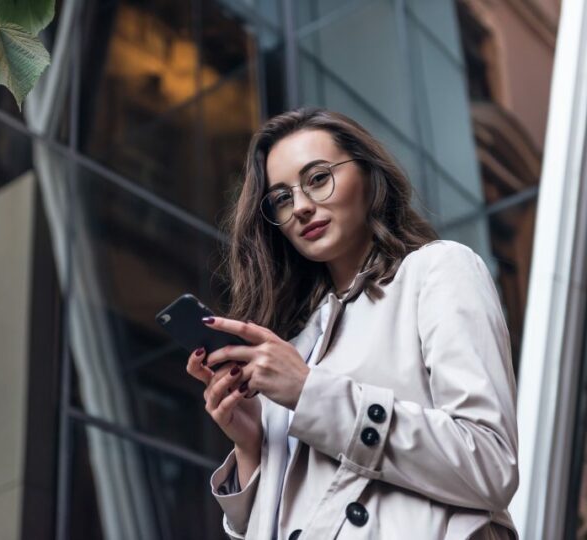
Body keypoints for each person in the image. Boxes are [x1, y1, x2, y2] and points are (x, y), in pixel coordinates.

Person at [185, 108, 518, 539]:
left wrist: (310, 392)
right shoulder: (297, 345)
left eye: (318, 178)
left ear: (367, 174)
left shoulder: (437, 271)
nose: (302, 207)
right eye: (282, 199)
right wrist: (252, 448)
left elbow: (490, 465)